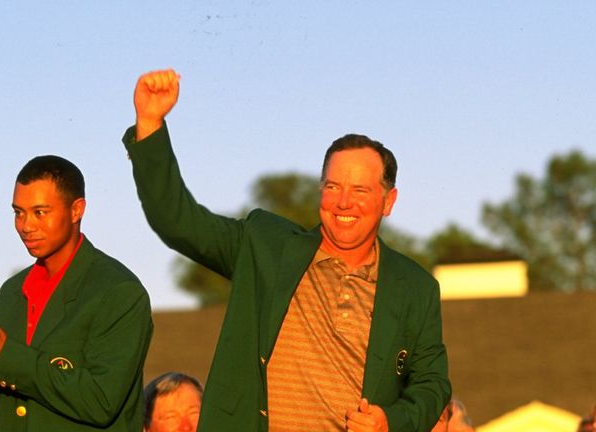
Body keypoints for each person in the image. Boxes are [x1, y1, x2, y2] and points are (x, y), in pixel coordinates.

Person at [122, 69, 451, 432]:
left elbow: (432, 384)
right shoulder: (266, 245)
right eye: (332, 186)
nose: (343, 202)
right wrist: (150, 123)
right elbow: (177, 221)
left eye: (360, 191)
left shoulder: (415, 287)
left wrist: (391, 420)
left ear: (388, 201)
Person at [0, 155, 153, 431]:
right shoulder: (13, 292)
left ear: (77, 210)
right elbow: (2, 407)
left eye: (40, 212)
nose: (26, 226)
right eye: (18, 212)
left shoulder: (118, 291)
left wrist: (4, 354)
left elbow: (101, 401)